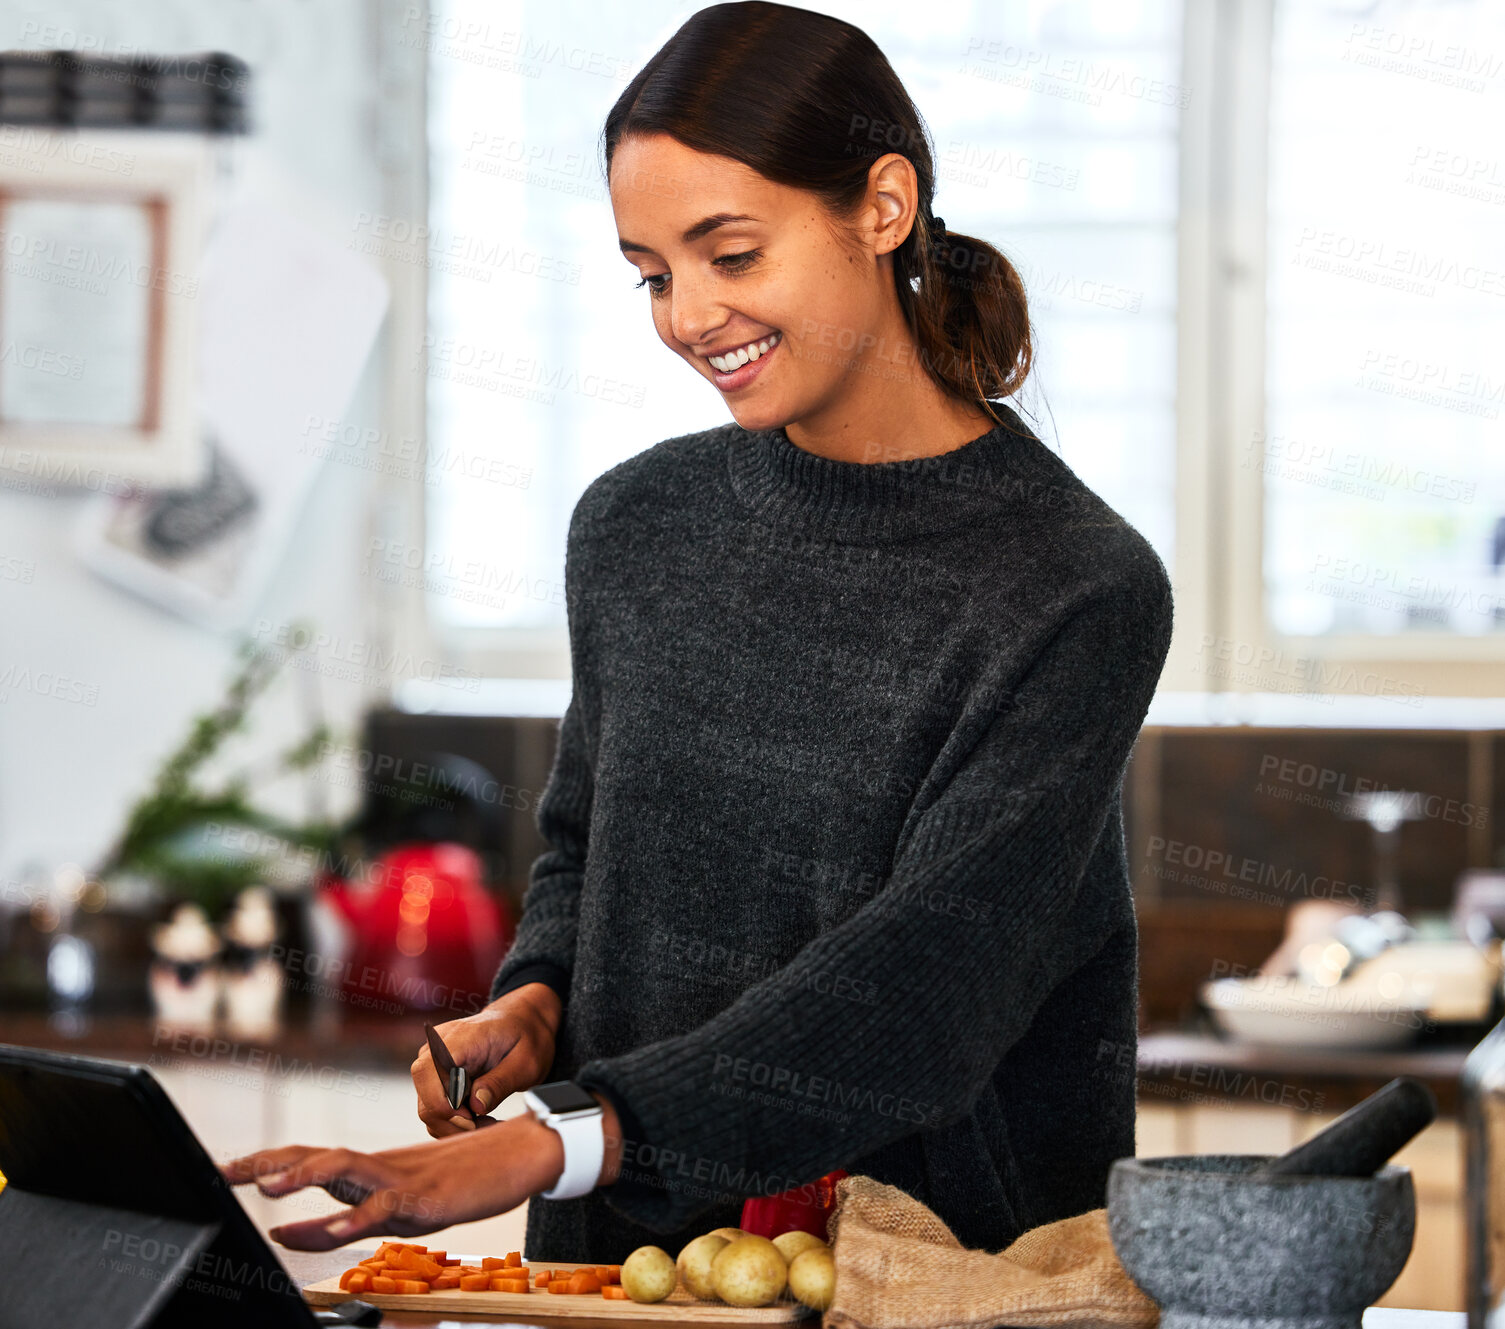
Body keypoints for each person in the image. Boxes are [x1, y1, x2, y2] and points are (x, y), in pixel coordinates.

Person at [224, 0, 1174, 1262]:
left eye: (729, 255)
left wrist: (555, 1140)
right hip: (626, 1268)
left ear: (881, 208)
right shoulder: (635, 526)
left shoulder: (1075, 585)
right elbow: (585, 846)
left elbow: (930, 992)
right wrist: (539, 997)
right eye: (651, 273)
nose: (683, 317)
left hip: (925, 1276)